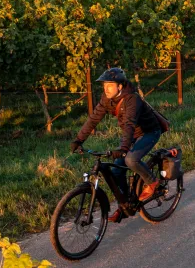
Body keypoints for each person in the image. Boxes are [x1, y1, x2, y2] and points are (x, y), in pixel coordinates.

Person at [70, 68, 163, 218]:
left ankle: (152, 182)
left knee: (130, 159)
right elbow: (94, 119)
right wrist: (78, 140)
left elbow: (129, 124)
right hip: (131, 135)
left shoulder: (132, 99)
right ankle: (126, 204)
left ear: (120, 86)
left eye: (110, 85)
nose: (106, 89)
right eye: (104, 85)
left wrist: (124, 148)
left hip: (149, 132)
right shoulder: (107, 99)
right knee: (117, 170)